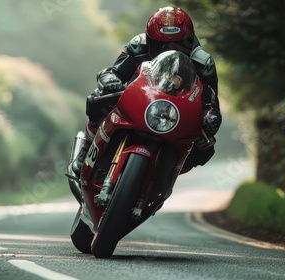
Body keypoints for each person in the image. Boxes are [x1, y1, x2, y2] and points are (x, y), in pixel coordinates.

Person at [72, 6, 222, 175]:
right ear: (150, 40)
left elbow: (211, 103)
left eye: (176, 45)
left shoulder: (202, 63)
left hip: (175, 114)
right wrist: (111, 81)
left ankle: (165, 175)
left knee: (205, 146)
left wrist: (210, 119)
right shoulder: (138, 46)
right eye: (160, 45)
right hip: (136, 100)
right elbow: (113, 72)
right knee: (99, 98)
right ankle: (86, 150)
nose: (167, 51)